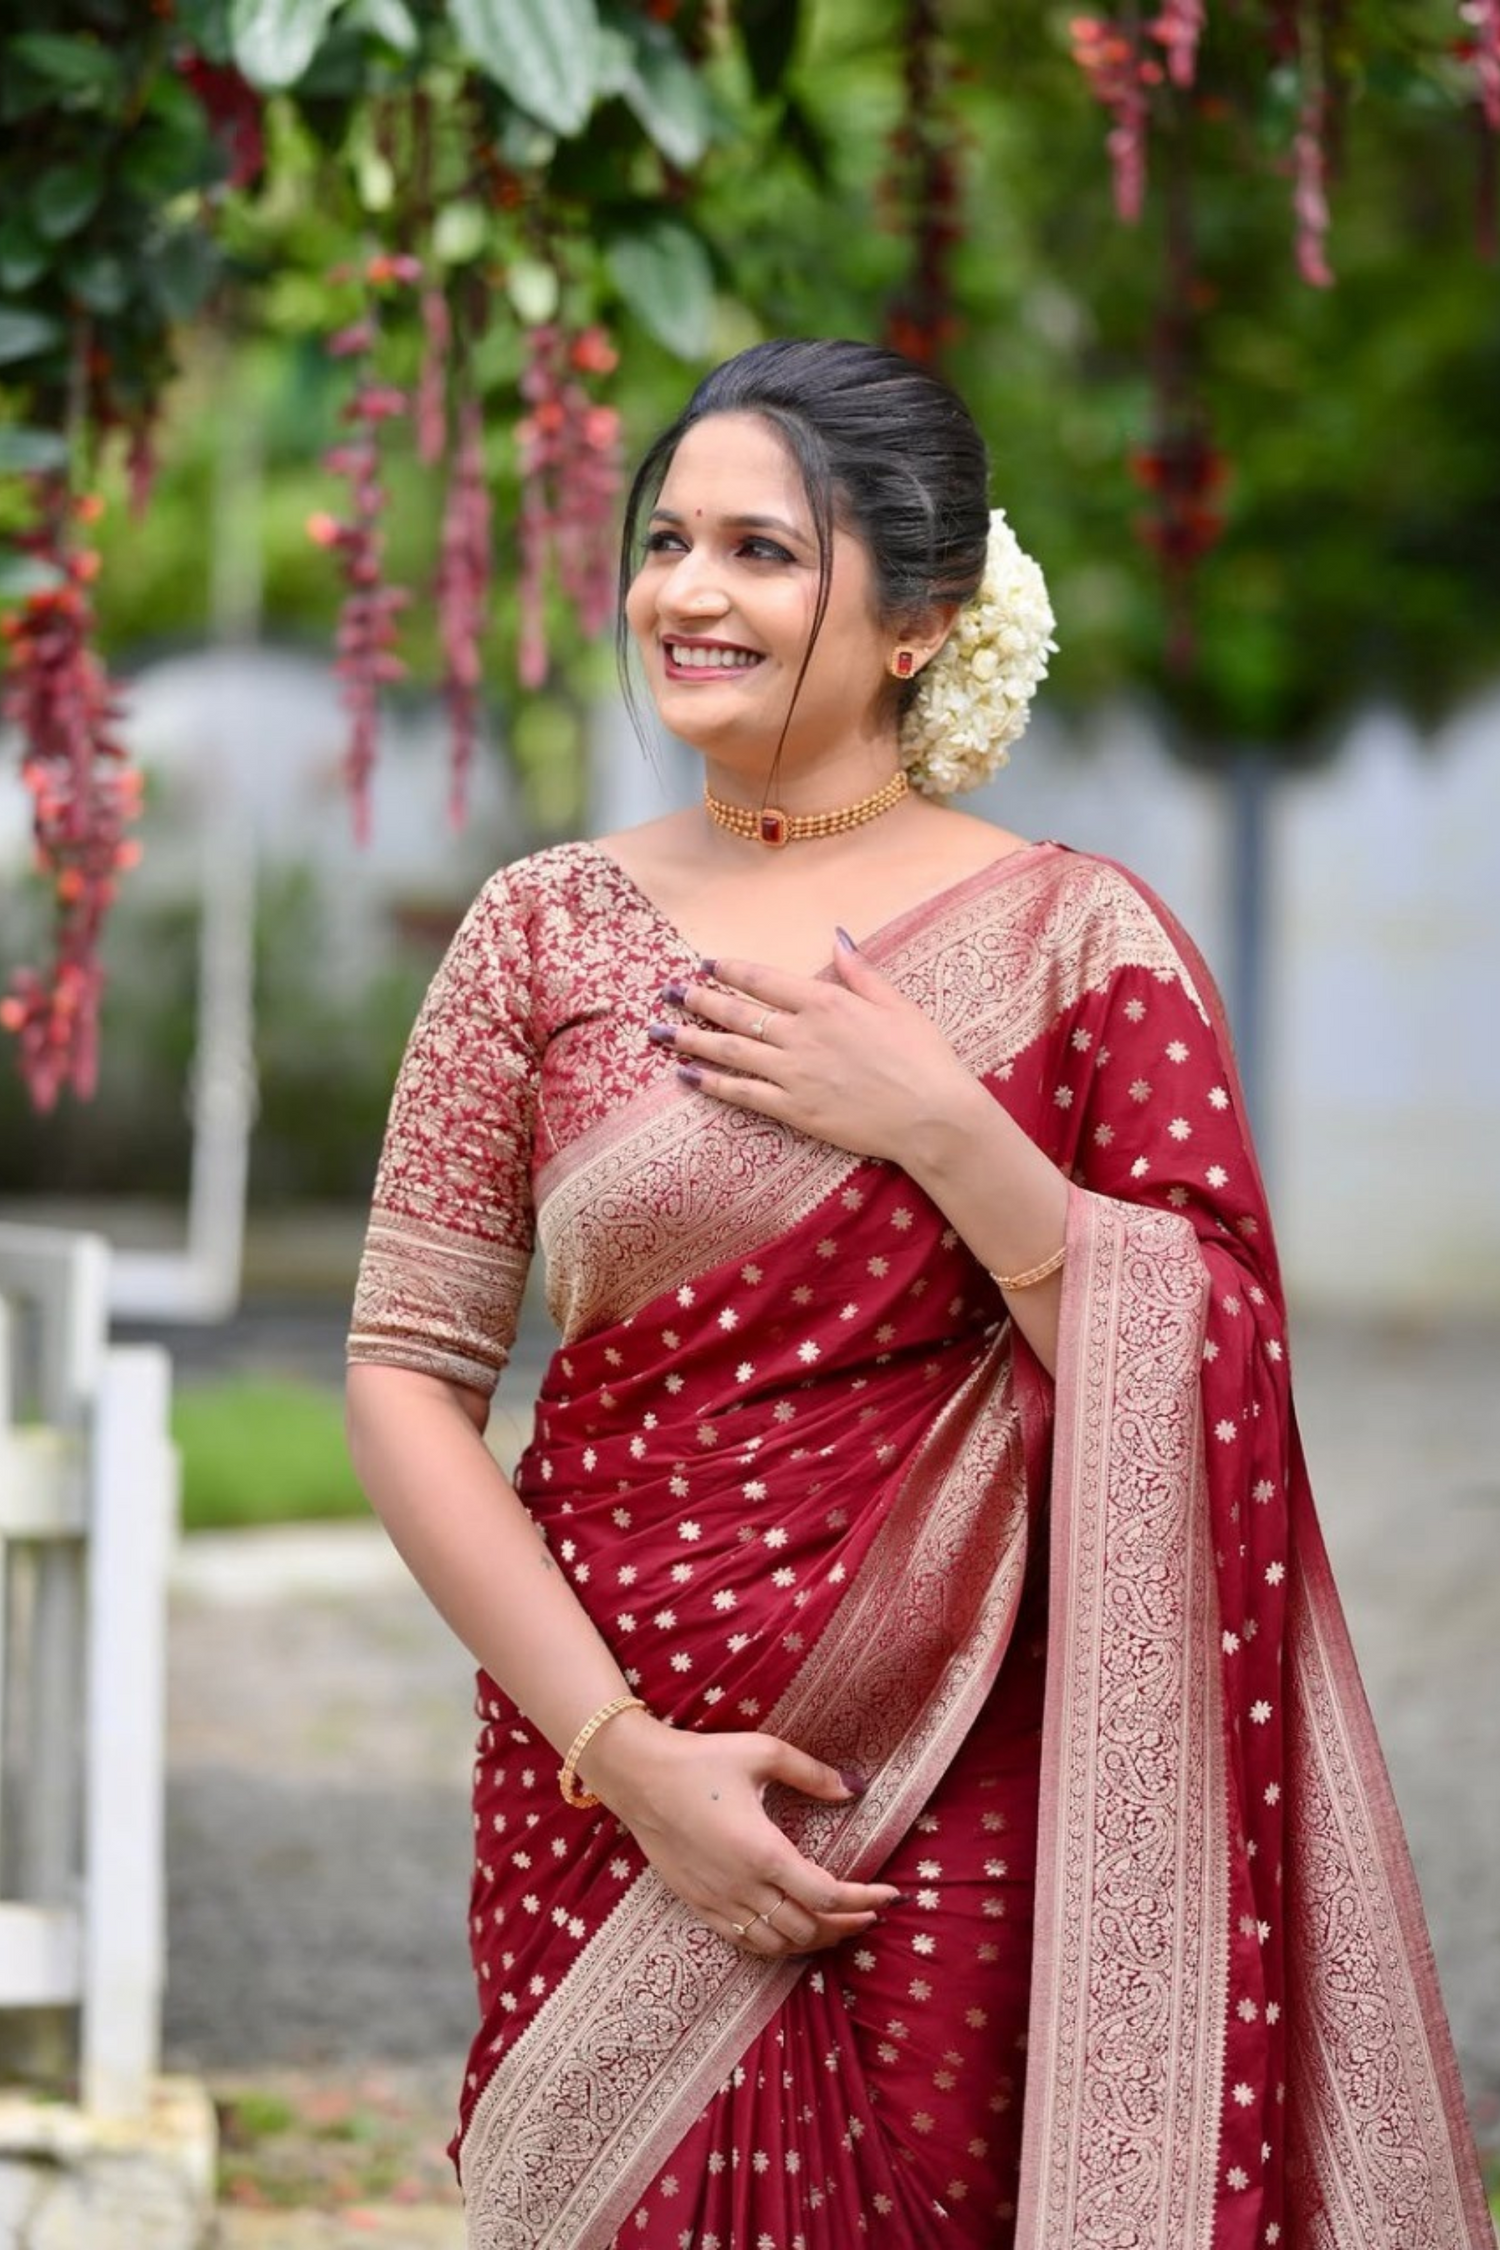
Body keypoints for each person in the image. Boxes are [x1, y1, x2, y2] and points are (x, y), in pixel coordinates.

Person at [345, 338, 1489, 2250]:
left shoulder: (1076, 940)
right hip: (599, 1775)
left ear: (918, 622)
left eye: (763, 552)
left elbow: (1218, 1362)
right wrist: (624, 1756)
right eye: (667, 541)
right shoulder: (536, 926)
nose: (689, 594)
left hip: (960, 1772)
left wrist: (952, 1136)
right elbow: (403, 1372)